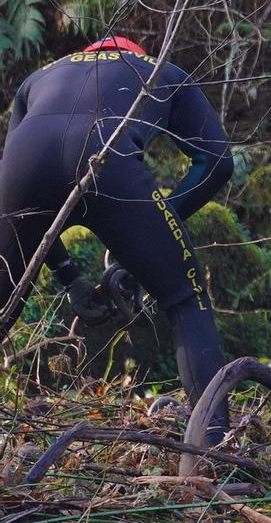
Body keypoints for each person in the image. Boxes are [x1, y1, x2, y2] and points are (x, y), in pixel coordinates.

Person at [0, 36, 233, 443]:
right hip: (105, 159)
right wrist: (156, 228)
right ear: (136, 54)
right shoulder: (162, 72)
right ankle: (213, 452)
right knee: (184, 299)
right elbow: (216, 162)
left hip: (21, 168)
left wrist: (69, 276)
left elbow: (27, 192)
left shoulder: (37, 79)